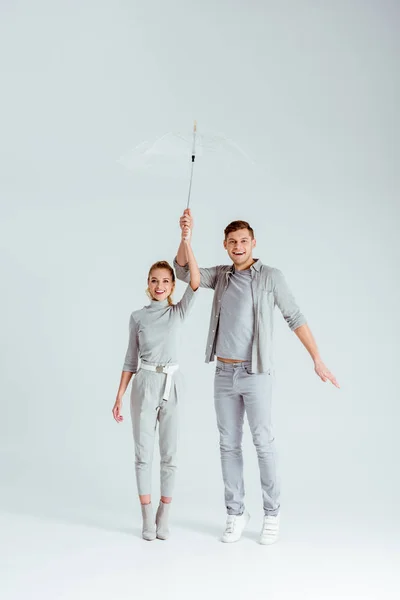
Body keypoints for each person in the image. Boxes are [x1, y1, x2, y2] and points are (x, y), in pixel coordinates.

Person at [174, 209, 339, 545]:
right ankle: (235, 513)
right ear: (225, 245)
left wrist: (317, 358)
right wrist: (185, 237)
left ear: (253, 243)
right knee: (228, 446)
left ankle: (272, 513)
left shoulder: (270, 277)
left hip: (256, 373)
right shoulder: (220, 275)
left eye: (244, 241)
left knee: (263, 444)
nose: (238, 246)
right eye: (232, 241)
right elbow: (183, 273)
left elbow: (294, 316)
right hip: (223, 373)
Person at [112, 224, 200, 541]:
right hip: (145, 383)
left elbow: (197, 280)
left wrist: (185, 239)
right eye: (154, 280)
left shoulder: (178, 312)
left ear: (172, 285)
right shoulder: (138, 317)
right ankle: (146, 516)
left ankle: (165, 513)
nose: (160, 285)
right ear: (147, 285)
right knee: (142, 454)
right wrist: (119, 396)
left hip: (173, 384)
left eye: (165, 281)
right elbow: (129, 360)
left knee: (170, 454)